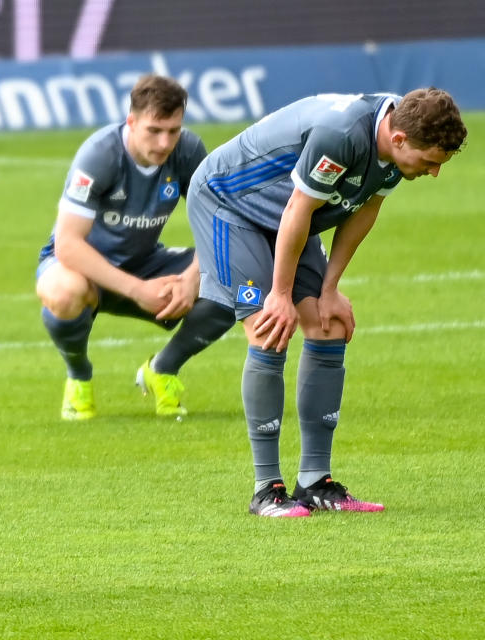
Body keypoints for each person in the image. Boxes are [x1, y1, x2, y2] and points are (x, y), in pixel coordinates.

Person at [186, 90, 467, 517]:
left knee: (327, 322)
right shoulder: (343, 135)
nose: (434, 173)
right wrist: (279, 296)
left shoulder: (394, 139)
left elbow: (365, 207)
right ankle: (266, 489)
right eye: (430, 162)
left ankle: (315, 481)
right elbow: (299, 207)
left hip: (288, 217)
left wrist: (329, 289)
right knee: (270, 327)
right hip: (229, 205)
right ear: (399, 139)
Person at [36, 74, 234, 420]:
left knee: (236, 272)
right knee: (64, 292)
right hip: (84, 269)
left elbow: (222, 222)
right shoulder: (100, 155)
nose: (164, 143)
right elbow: (68, 246)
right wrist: (137, 290)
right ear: (132, 121)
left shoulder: (188, 151)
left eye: (173, 131)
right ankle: (78, 376)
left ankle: (162, 369)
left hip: (145, 262)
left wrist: (191, 278)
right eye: (154, 131)